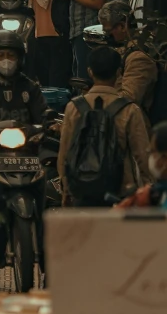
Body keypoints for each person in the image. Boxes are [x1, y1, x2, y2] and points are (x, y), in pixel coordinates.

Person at [57, 44, 153, 203]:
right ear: (118, 73)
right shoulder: (129, 109)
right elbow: (142, 155)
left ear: (90, 71)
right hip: (120, 193)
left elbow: (65, 152)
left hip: (82, 192)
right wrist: (147, 190)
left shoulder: (73, 107)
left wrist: (66, 191)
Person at [28, 0, 73, 91]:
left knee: (44, 78)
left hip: (39, 34)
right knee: (58, 78)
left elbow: (32, 8)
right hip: (59, 35)